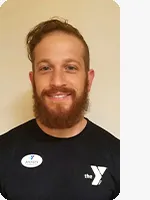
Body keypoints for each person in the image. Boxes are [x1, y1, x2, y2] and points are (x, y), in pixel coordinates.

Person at [0, 17, 120, 200]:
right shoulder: (3, 152)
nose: (57, 81)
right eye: (46, 68)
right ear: (33, 80)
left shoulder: (121, 157)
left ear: (89, 80)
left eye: (70, 67)